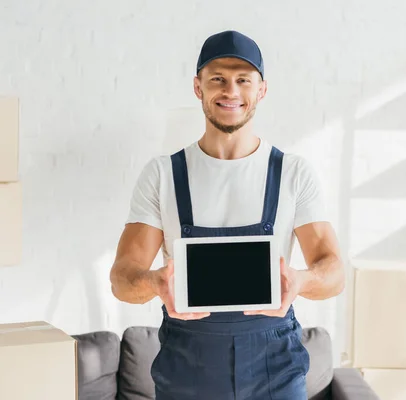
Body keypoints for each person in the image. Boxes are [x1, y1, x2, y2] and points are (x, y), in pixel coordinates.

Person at [109, 30, 345, 400]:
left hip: (275, 368)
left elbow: (334, 272)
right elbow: (121, 279)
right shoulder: (162, 175)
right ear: (197, 87)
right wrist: (156, 283)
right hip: (186, 367)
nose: (230, 91)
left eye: (243, 80)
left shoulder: (293, 173)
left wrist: (299, 280)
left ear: (261, 89)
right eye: (217, 79)